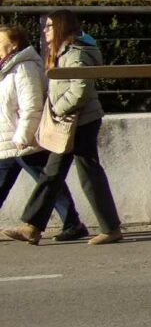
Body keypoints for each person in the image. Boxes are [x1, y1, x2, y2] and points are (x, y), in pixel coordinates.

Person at [3, 10, 123, 246]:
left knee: (83, 173)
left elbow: (80, 89)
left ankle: (110, 228)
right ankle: (33, 226)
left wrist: (57, 109)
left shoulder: (75, 52)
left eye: (49, 26)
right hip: (73, 120)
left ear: (61, 27)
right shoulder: (64, 51)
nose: (45, 31)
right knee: (56, 172)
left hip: (80, 121)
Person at [0, 23, 87, 241]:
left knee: (47, 180)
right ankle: (72, 223)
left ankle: (72, 223)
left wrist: (23, 136)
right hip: (9, 137)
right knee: (41, 180)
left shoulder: (24, 68)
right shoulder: (7, 67)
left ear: (12, 46)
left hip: (23, 138)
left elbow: (31, 105)